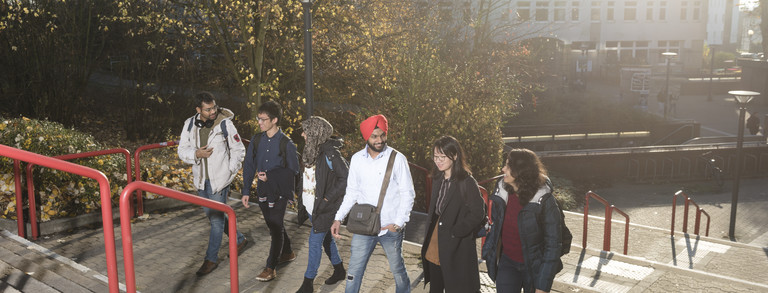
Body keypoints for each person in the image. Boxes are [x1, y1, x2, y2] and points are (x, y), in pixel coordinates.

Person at [330, 114, 415, 293]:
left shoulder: (397, 158)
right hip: (364, 227)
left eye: (382, 135)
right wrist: (338, 218)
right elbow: (352, 192)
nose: (379, 140)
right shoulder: (357, 159)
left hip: (389, 228)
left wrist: (398, 223)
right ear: (366, 137)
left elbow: (407, 193)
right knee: (354, 272)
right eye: (374, 136)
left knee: (398, 270)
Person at [177, 91, 248, 276]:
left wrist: (230, 171)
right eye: (208, 109)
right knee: (214, 217)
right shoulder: (189, 124)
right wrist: (195, 154)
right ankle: (239, 239)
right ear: (198, 109)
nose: (213, 111)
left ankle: (211, 259)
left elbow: (239, 149)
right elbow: (181, 150)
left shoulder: (225, 124)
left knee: (216, 222)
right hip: (201, 181)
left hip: (220, 182)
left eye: (214, 107)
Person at [482, 149, 564, 293]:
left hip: (534, 267)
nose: (503, 169)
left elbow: (553, 245)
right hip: (507, 262)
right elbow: (496, 225)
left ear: (520, 171)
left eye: (508, 166)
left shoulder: (544, 200)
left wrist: (542, 285)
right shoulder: (501, 191)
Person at [241, 100, 300, 282]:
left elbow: (294, 171)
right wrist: (245, 191)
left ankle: (270, 267)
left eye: (263, 119)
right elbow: (249, 165)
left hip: (280, 192)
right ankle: (288, 252)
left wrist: (271, 176)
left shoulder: (287, 144)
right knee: (273, 224)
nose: (259, 122)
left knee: (275, 226)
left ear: (274, 120)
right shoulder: (257, 140)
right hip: (262, 191)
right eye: (258, 118)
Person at [420, 136, 485, 293]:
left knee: (455, 285)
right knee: (435, 286)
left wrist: (458, 230)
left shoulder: (466, 181)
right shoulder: (437, 177)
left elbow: (478, 212)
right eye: (436, 156)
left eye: (443, 157)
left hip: (456, 244)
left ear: (455, 156)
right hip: (436, 239)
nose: (438, 161)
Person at [296, 116, 349, 293]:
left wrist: (327, 198)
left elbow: (345, 178)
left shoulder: (330, 154)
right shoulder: (311, 150)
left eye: (306, 131)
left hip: (325, 208)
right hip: (312, 207)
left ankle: (307, 283)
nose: (303, 134)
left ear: (315, 133)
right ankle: (340, 270)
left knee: (314, 242)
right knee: (326, 239)